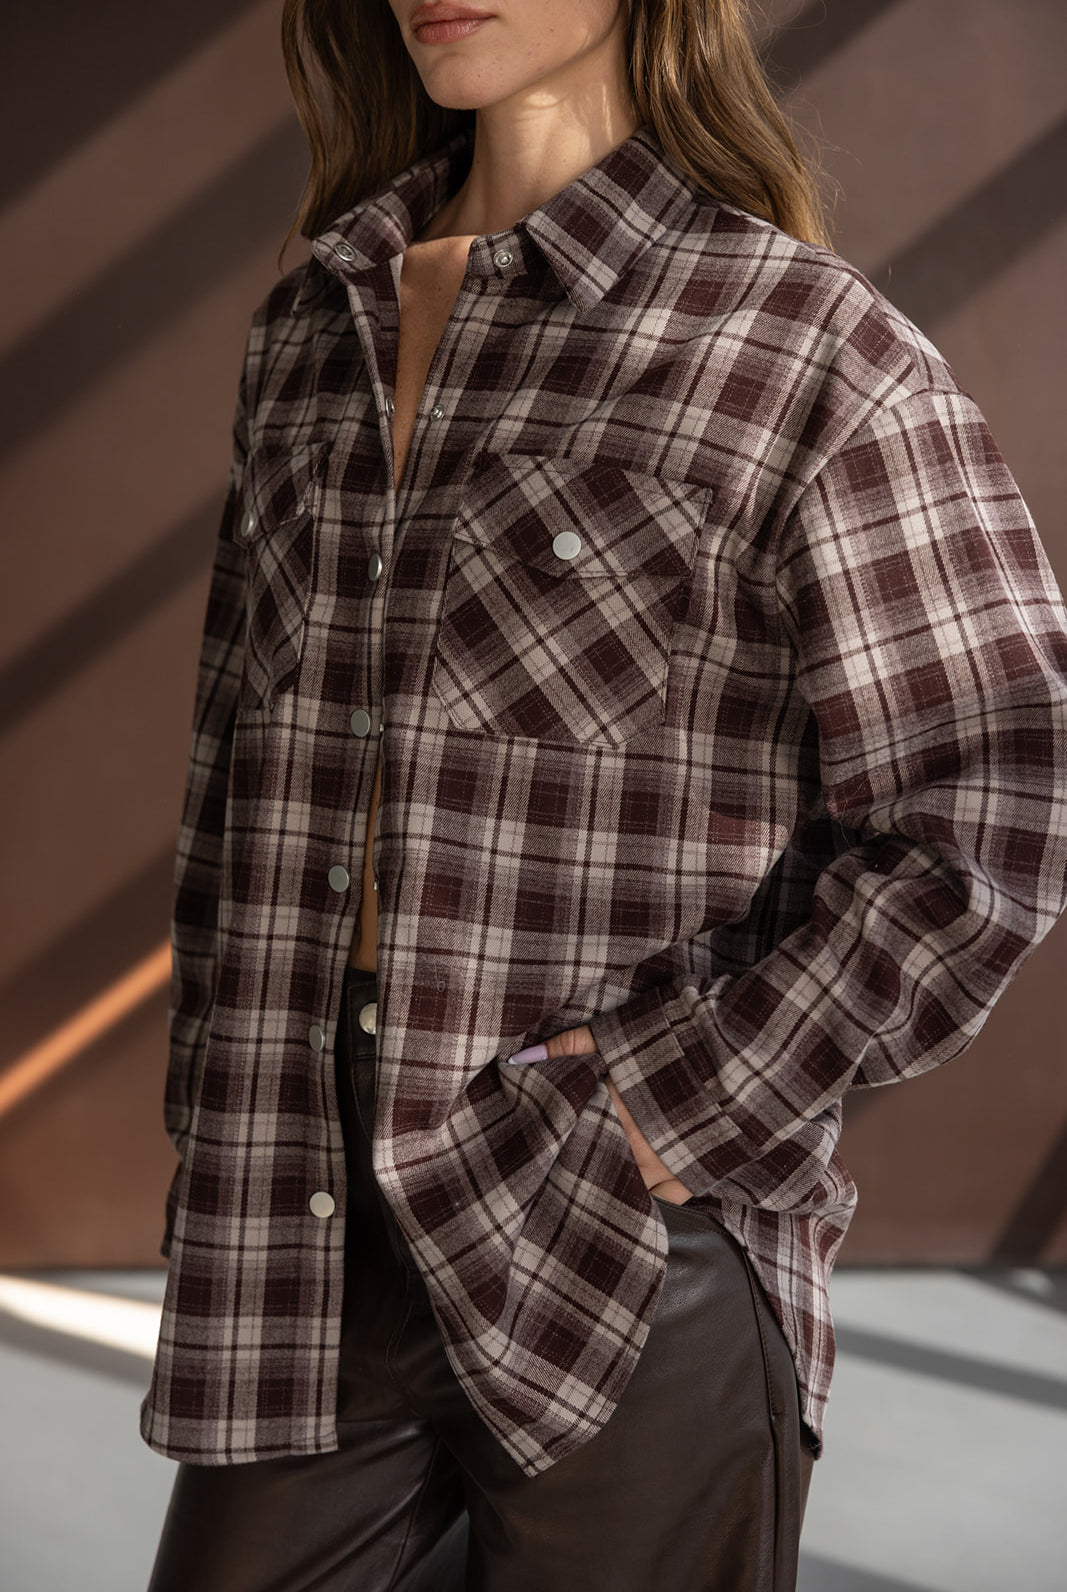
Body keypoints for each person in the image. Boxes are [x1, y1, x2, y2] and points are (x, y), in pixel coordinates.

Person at [143, 2, 1067, 1588]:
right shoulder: (309, 331)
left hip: (628, 1239)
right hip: (304, 1224)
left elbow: (996, 799)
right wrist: (212, 1137)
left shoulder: (805, 349)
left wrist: (669, 1100)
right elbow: (236, 790)